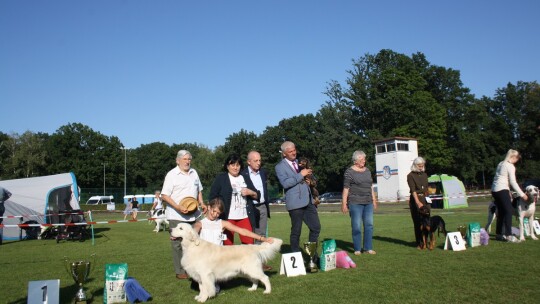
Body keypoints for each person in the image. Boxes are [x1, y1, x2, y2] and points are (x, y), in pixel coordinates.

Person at [161, 150, 205, 280]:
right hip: (176, 215)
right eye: (185, 159)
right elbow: (164, 195)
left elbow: (199, 190)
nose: (187, 161)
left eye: (189, 159)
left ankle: (196, 266)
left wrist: (201, 203)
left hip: (194, 214)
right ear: (177, 160)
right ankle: (180, 271)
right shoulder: (171, 175)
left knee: (196, 240)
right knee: (178, 244)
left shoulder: (194, 173)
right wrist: (178, 207)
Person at [275, 141, 321, 253]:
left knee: (316, 228)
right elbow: (285, 183)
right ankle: (296, 257)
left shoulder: (301, 163)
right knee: (296, 231)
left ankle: (312, 257)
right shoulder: (279, 167)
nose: (294, 153)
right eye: (290, 151)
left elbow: (311, 177)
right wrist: (301, 175)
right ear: (284, 153)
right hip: (295, 204)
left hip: (309, 201)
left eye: (294, 150)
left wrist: (311, 182)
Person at [209, 154, 260, 245]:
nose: (235, 168)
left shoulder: (245, 177)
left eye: (238, 165)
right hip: (227, 218)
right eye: (232, 165)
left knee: (249, 245)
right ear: (227, 166)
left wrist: (250, 192)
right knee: (227, 247)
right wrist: (216, 210)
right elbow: (212, 196)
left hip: (244, 217)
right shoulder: (221, 178)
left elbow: (257, 195)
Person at [341, 150, 378, 255]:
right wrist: (344, 203)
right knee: (356, 226)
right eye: (362, 159)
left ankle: (368, 248)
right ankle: (357, 249)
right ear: (356, 161)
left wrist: (374, 200)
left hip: (368, 202)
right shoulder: (349, 172)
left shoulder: (367, 171)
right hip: (355, 202)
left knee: (369, 225)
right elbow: (346, 188)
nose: (364, 161)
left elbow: (371, 186)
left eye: (364, 159)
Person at [241, 150, 272, 270]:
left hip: (262, 206)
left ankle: (260, 262)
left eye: (260, 160)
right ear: (249, 162)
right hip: (249, 207)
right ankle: (248, 262)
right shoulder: (242, 174)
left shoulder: (263, 172)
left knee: (261, 235)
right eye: (255, 161)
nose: (258, 163)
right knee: (249, 236)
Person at [491, 149, 528, 243]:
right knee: (509, 211)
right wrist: (523, 194)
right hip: (501, 189)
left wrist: (508, 191)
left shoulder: (501, 163)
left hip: (495, 190)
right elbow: (513, 182)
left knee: (502, 212)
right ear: (513, 157)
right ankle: (508, 235)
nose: (517, 161)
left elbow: (500, 178)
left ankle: (499, 234)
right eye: (517, 159)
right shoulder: (510, 166)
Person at [407, 157, 429, 249]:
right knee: (418, 222)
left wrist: (428, 199)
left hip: (425, 198)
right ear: (415, 165)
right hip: (416, 199)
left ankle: (426, 242)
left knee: (427, 222)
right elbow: (413, 190)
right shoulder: (410, 175)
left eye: (422, 165)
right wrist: (418, 202)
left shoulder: (424, 174)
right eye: (419, 166)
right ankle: (419, 243)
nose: (421, 167)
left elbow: (427, 189)